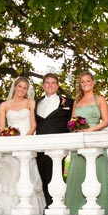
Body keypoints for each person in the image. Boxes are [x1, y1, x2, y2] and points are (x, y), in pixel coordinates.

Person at [64, 71, 108, 215]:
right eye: (82, 82)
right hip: (79, 141)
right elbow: (72, 122)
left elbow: (106, 121)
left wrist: (90, 130)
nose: (85, 84)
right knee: (78, 174)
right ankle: (75, 208)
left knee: (96, 173)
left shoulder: (100, 99)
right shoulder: (76, 102)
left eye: (88, 81)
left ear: (93, 82)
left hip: (95, 140)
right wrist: (75, 129)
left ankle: (101, 206)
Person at [0, 77, 46, 215]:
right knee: (11, 177)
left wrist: (25, 142)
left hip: (26, 143)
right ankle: (9, 210)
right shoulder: (4, 105)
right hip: (10, 145)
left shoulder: (30, 103)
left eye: (25, 88)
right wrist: (11, 139)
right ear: (15, 86)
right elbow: (1, 129)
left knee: (27, 175)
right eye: (20, 87)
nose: (22, 90)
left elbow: (33, 125)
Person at [35, 73, 74, 207]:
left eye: (53, 83)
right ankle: (47, 206)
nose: (50, 85)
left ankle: (55, 205)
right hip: (40, 147)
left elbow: (72, 124)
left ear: (57, 86)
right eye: (47, 82)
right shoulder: (35, 103)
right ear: (43, 85)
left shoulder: (67, 102)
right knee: (42, 178)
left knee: (55, 177)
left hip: (58, 147)